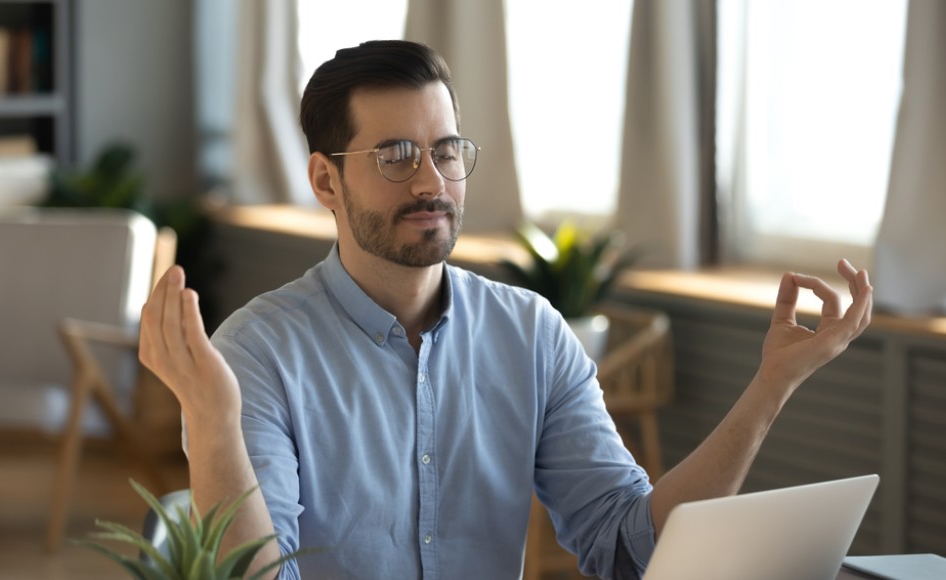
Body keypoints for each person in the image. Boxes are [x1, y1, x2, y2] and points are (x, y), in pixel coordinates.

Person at [139, 40, 873, 579]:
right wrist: (211, 423)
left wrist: (772, 383)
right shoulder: (258, 354)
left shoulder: (532, 335)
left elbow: (629, 547)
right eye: (395, 156)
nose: (432, 181)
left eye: (446, 150)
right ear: (326, 183)